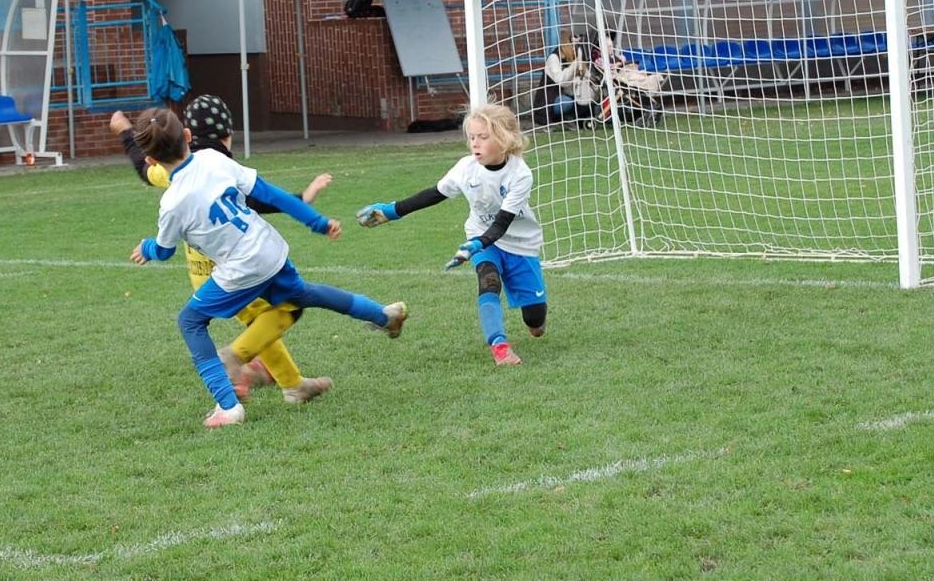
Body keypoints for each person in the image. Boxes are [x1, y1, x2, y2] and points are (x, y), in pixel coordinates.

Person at [128, 103, 407, 428]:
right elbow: (270, 194)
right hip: (269, 250)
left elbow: (163, 251)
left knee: (190, 321)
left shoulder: (172, 203)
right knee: (306, 295)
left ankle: (228, 405)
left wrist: (147, 246)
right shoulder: (213, 159)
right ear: (188, 137)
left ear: (150, 160)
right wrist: (316, 222)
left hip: (240, 270)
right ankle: (384, 317)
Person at [110, 101, 336, 406]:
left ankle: (280, 378)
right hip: (237, 264)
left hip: (201, 271)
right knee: (276, 312)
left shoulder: (169, 169)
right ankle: (247, 375)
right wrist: (303, 199)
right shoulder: (217, 164)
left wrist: (126, 132)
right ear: (224, 133)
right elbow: (258, 201)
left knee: (253, 319)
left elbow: (144, 167)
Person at [357, 104, 545, 367]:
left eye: (483, 137)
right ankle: (500, 346)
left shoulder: (520, 174)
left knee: (535, 323)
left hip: (520, 244)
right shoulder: (465, 168)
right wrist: (391, 211)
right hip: (480, 236)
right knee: (488, 282)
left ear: (505, 139)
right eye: (472, 137)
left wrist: (474, 245)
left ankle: (534, 319)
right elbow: (434, 194)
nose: (475, 144)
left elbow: (502, 223)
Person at [534, 32, 597, 127]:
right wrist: (574, 66)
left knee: (587, 99)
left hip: (570, 95)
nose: (574, 48)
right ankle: (559, 119)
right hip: (550, 100)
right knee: (566, 102)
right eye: (573, 45)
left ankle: (571, 119)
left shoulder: (574, 58)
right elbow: (562, 82)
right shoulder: (553, 58)